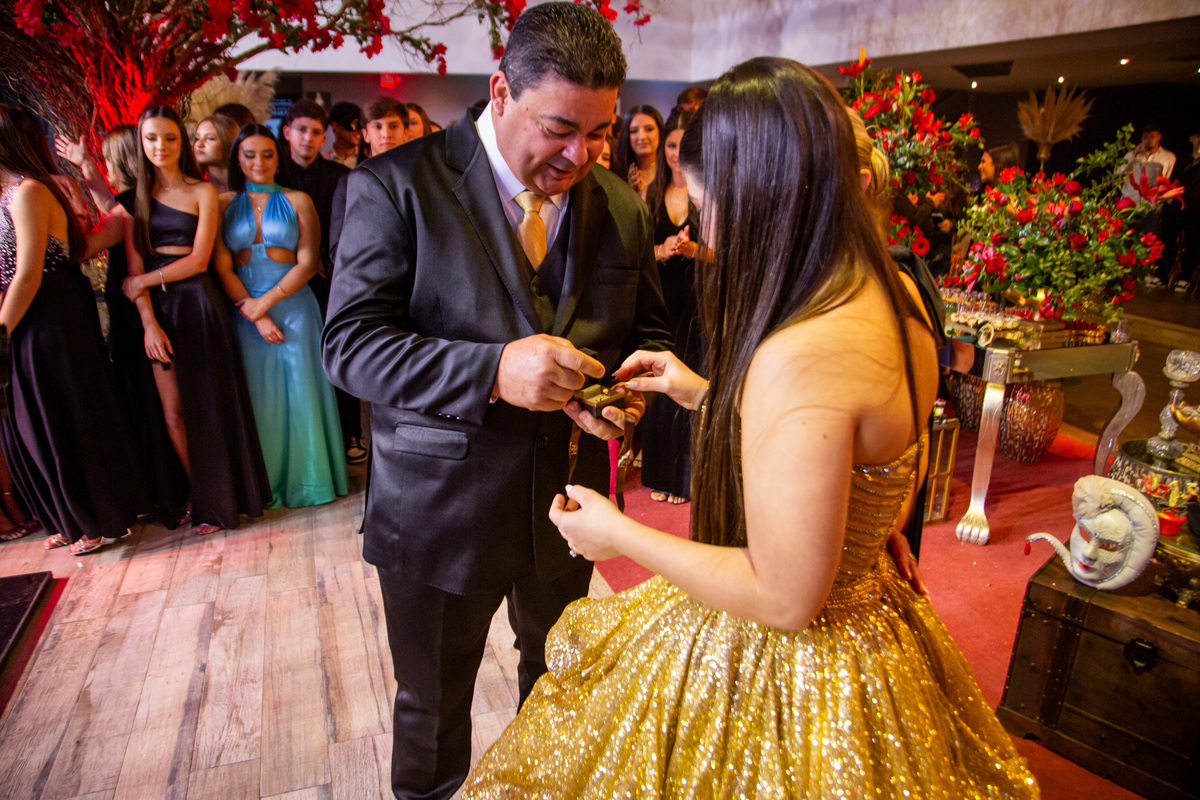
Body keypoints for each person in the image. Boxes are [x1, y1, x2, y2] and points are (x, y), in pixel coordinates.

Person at [462, 57, 1038, 799]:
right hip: (874, 617)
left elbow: (785, 596)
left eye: (709, 205)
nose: (706, 227)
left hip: (799, 666)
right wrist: (706, 393)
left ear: (761, 197)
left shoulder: (802, 353)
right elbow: (859, 450)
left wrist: (617, 535)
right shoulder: (892, 290)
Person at [321, 4, 671, 797]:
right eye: (559, 129)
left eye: (600, 133)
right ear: (501, 92)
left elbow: (646, 330)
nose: (579, 156)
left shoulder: (620, 204)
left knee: (557, 693)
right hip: (437, 509)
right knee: (432, 710)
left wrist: (625, 397)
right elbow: (349, 347)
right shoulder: (396, 186)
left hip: (567, 505)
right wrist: (491, 370)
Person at [0, 105, 148, 554]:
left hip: (48, 313)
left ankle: (97, 520)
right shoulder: (11, 191)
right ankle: (72, 517)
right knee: (38, 420)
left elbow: (29, 273)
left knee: (65, 415)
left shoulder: (28, 190)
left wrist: (1, 333)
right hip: (29, 312)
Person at [123, 105, 270, 534]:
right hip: (157, 312)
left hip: (197, 304)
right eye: (151, 138)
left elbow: (200, 259)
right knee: (173, 413)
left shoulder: (202, 191)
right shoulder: (135, 198)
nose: (160, 146)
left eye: (169, 138)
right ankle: (200, 488)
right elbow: (132, 272)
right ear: (141, 143)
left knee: (207, 406)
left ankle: (215, 501)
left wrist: (145, 280)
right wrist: (148, 323)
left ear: (181, 143)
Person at [214, 125, 348, 509]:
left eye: (267, 154)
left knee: (301, 393)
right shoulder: (223, 203)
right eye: (249, 154)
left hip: (295, 308)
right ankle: (264, 484)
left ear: (279, 157)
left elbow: (308, 262)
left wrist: (266, 303)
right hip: (245, 311)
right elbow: (222, 266)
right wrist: (254, 312)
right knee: (261, 401)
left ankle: (311, 482)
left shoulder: (298, 200)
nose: (259, 162)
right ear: (237, 159)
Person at [641, 106, 700, 505]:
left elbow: (730, 257)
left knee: (691, 384)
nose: (677, 154)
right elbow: (637, 254)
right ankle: (661, 475)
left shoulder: (708, 193)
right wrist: (660, 251)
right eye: (672, 146)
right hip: (662, 301)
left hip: (698, 303)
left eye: (684, 146)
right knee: (662, 387)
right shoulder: (651, 194)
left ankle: (685, 480)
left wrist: (696, 250)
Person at [610, 104, 663, 202]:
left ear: (660, 132)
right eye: (634, 131)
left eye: (649, 129)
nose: (642, 137)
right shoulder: (616, 174)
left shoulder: (671, 171)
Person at [192, 114, 239, 192]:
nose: (199, 144)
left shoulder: (249, 183)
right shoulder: (193, 183)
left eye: (210, 138)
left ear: (228, 143)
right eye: (197, 138)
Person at [326, 101, 363, 168]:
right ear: (336, 126)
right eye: (355, 125)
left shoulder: (367, 159)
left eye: (362, 126)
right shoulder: (324, 160)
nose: (360, 131)